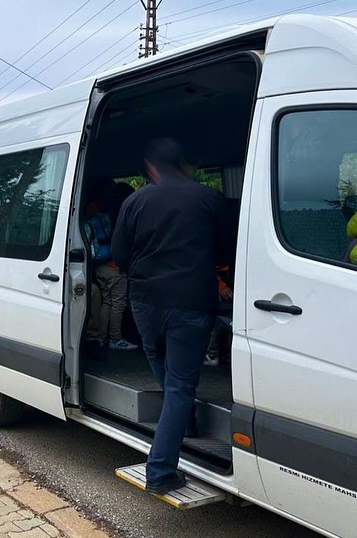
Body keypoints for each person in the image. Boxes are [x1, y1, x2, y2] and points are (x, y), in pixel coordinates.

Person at [112, 138, 229, 496]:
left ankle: (184, 421)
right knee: (179, 385)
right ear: (183, 166)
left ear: (151, 168)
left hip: (145, 303)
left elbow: (119, 254)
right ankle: (160, 471)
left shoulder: (134, 201)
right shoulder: (209, 199)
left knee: (166, 372)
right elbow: (226, 250)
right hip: (190, 303)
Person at [83, 180, 136, 360]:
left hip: (100, 265)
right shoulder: (119, 213)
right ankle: (116, 338)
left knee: (106, 302)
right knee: (118, 303)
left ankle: (101, 337)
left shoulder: (99, 212)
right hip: (114, 266)